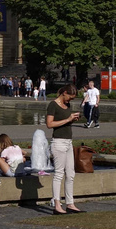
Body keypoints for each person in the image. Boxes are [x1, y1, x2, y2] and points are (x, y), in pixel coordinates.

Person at [45, 85, 83, 214]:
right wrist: (68, 119)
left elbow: (65, 122)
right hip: (58, 142)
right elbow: (49, 124)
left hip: (68, 142)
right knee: (59, 174)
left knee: (70, 174)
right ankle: (57, 204)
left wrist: (72, 119)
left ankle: (70, 203)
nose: (70, 101)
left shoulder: (67, 106)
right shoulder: (53, 105)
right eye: (69, 98)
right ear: (64, 93)